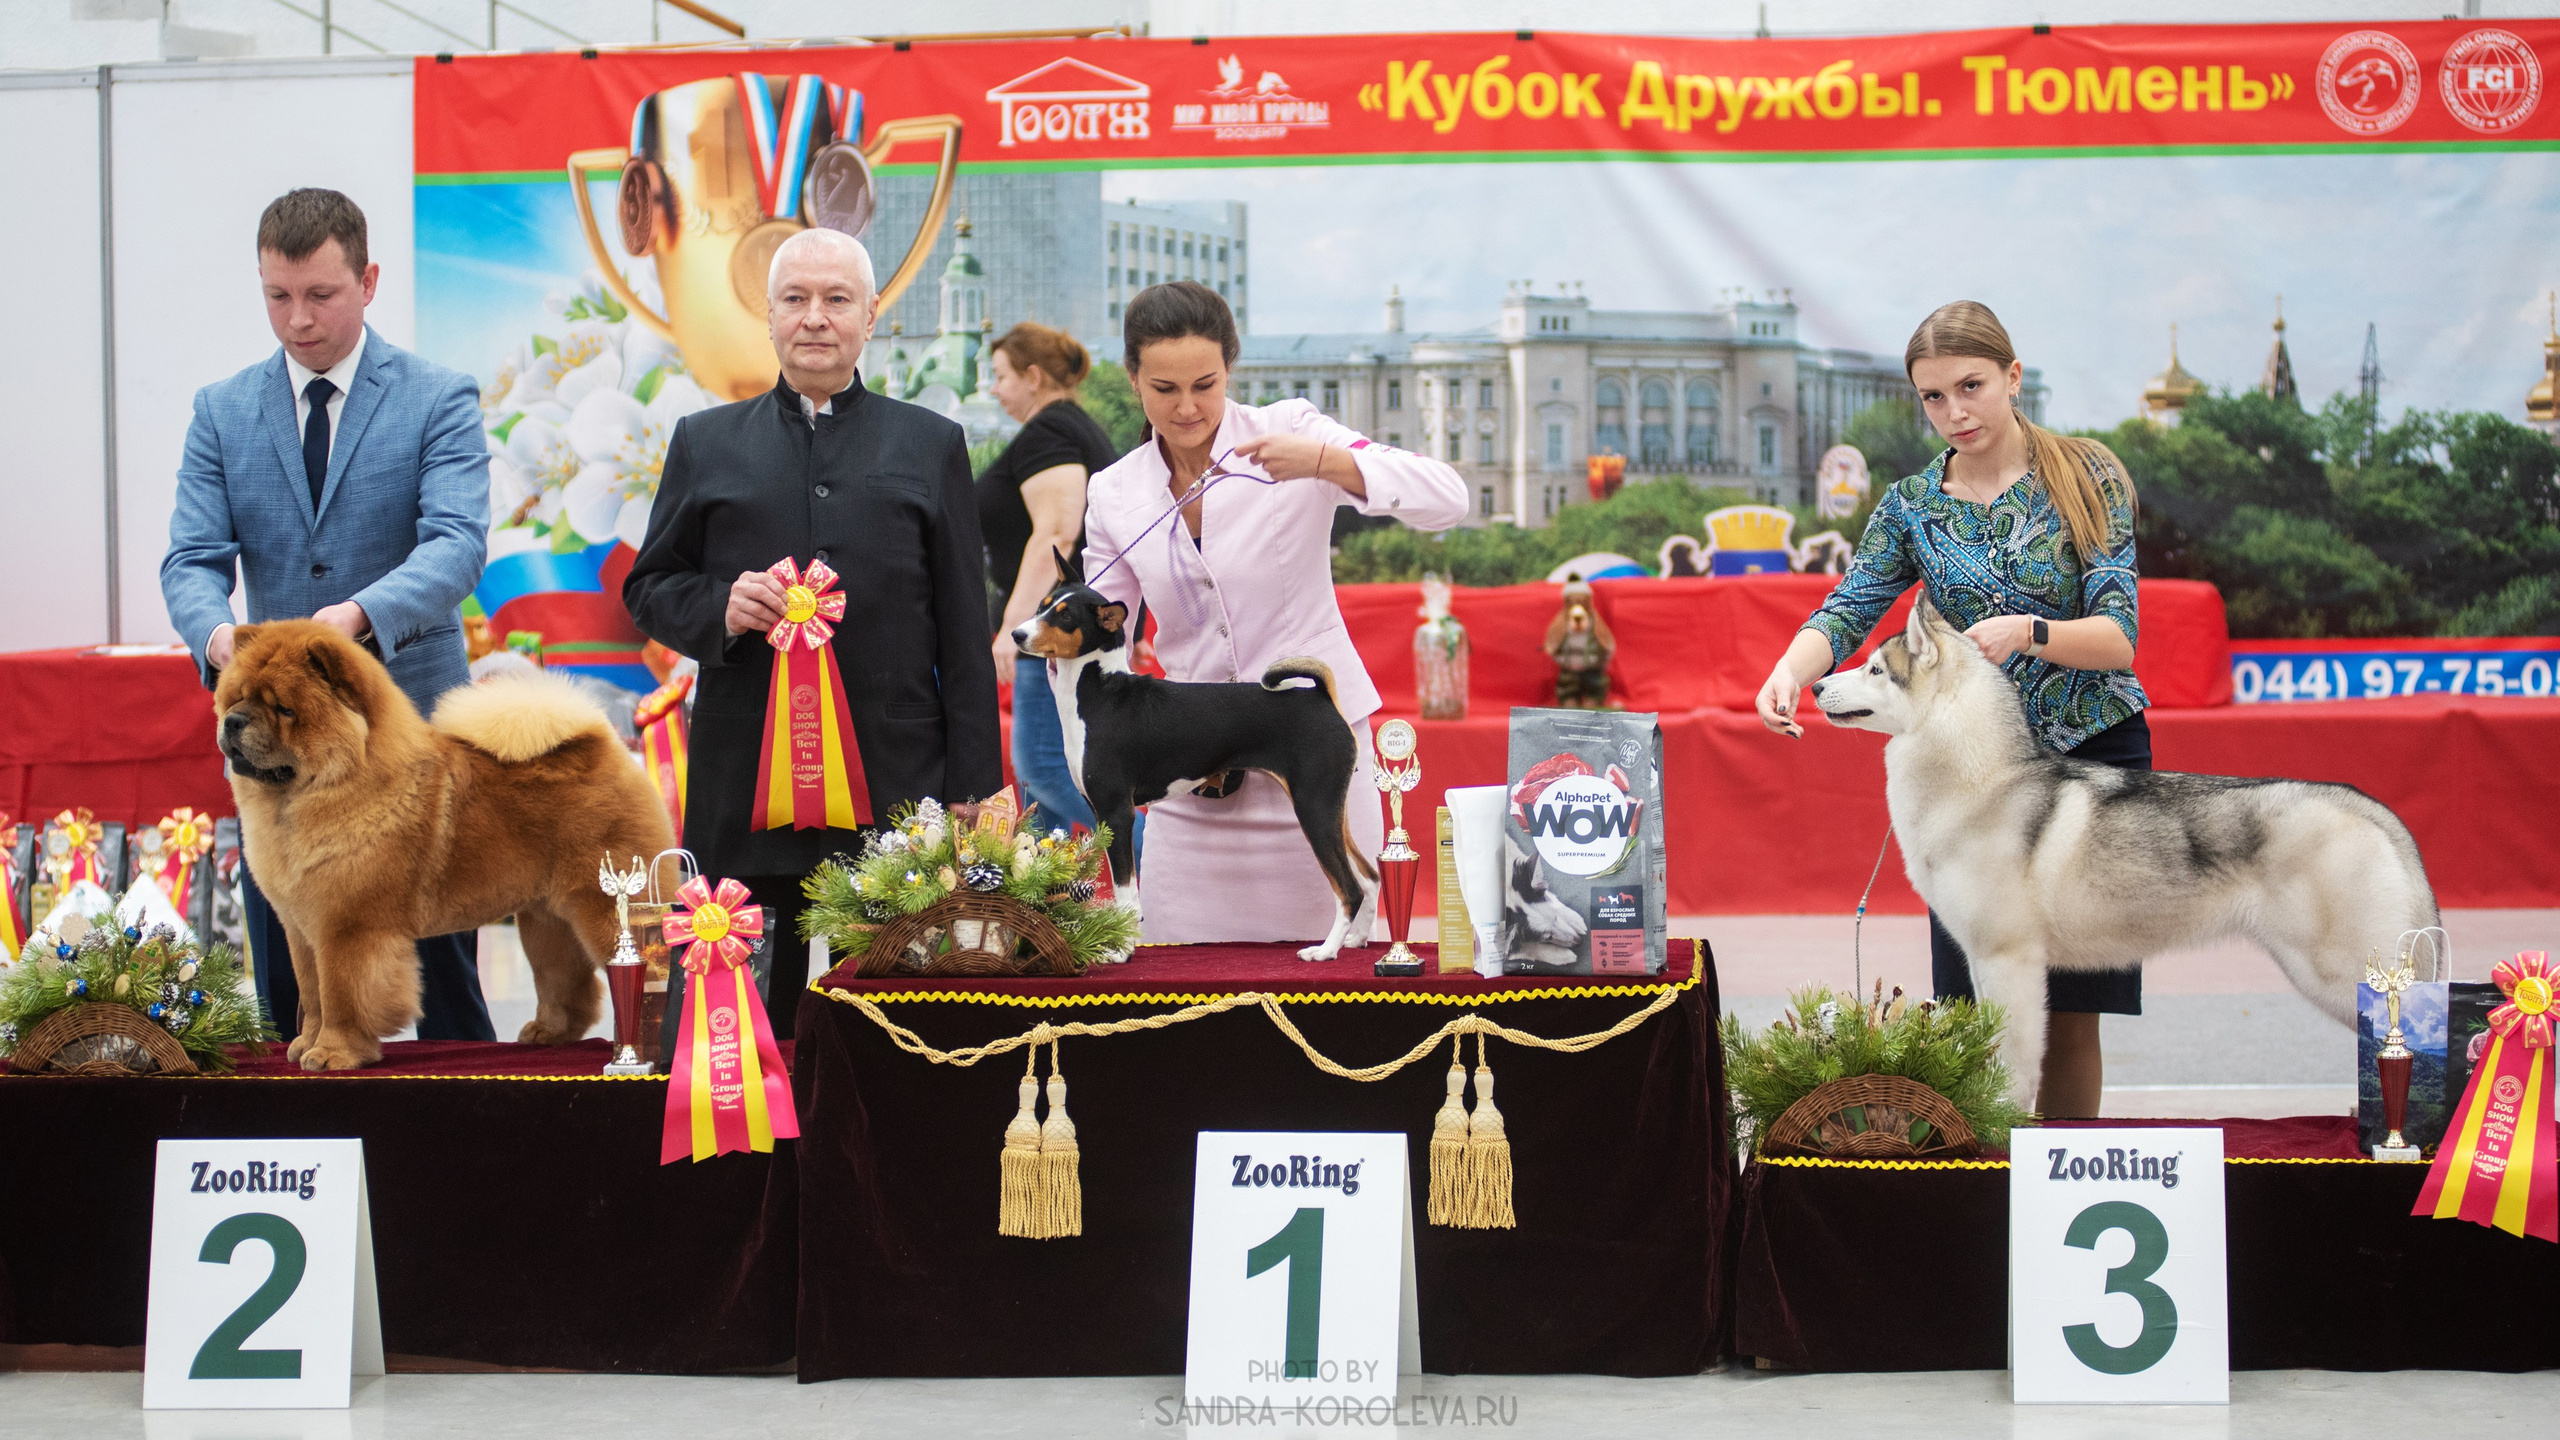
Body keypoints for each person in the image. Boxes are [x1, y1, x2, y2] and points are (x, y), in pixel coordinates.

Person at [1752, 300, 2147, 1119]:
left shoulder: (2089, 476)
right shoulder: (1909, 506)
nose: (1954, 412)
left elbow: (2117, 639)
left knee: (2072, 1017)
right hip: (1973, 782)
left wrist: (2034, 631)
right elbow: (1852, 605)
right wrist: (1789, 669)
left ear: (2012, 375)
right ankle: (1988, 1199)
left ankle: (2056, 1192)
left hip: (2090, 764)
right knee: (1979, 1017)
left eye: (1970, 386)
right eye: (1933, 397)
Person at [623, 228, 1001, 1038]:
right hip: (744, 797)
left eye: (836, 300)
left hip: (899, 795)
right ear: (768, 317)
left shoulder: (931, 445)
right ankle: (742, 1168)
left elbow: (967, 634)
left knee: (903, 1039)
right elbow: (650, 587)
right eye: (795, 299)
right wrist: (719, 606)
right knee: (734, 1040)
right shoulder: (705, 442)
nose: (815, 318)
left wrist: (973, 787)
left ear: (870, 316)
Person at [160, 188, 495, 1041]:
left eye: (320, 294)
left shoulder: (438, 397)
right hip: (278, 744)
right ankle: (303, 1131)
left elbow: (456, 545)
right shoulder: (221, 411)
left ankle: (472, 1133)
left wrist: (354, 619)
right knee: (292, 971)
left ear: (369, 281)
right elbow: (191, 560)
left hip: (411, 724)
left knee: (439, 961)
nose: (298, 319)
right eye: (278, 296)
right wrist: (220, 640)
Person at [1081, 281, 1469, 944]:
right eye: (1163, 388)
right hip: (1192, 786)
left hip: (1314, 758)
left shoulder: (1291, 429)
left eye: (1205, 384)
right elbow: (1102, 631)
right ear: (1133, 380)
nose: (1187, 407)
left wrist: (1327, 461)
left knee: (1336, 1006)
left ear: (1231, 366)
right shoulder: (1114, 490)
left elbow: (1448, 499)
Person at [980, 322, 1121, 833]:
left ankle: (1164, 866)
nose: (994, 389)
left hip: (1055, 635)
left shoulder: (1051, 432)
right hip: (1070, 633)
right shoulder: (1072, 428)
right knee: (1046, 809)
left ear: (1033, 376)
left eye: (1000, 376)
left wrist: (1016, 625)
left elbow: (1059, 531)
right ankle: (1050, 912)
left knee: (1043, 768)